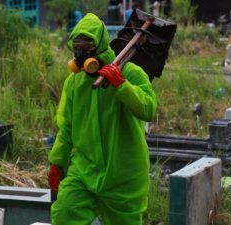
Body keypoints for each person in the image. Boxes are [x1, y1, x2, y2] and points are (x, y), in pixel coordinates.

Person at [48, 13, 157, 225]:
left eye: (86, 47)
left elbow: (148, 109)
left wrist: (121, 85)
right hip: (84, 171)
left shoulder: (130, 72)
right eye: (76, 47)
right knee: (65, 213)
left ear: (99, 46)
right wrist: (57, 161)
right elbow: (66, 127)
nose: (80, 53)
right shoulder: (74, 82)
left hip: (123, 174)